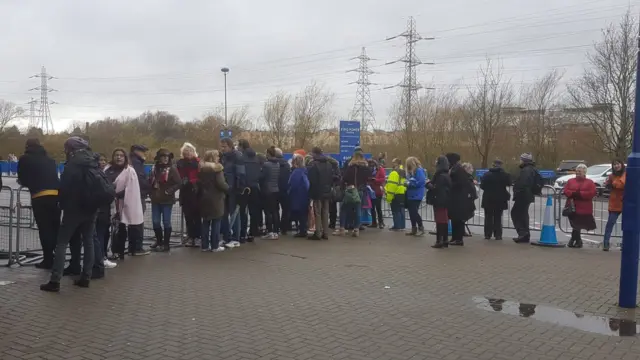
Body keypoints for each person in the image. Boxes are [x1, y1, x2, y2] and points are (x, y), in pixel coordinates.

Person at [40, 137, 101, 292]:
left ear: (71, 149)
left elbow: (65, 187)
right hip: (91, 208)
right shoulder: (94, 162)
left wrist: (62, 202)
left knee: (62, 243)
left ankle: (55, 280)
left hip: (73, 209)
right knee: (88, 241)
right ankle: (86, 277)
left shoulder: (72, 165)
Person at [17, 138, 60, 269]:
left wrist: (25, 183)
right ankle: (59, 256)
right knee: (55, 228)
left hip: (39, 196)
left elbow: (22, 178)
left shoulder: (25, 158)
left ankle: (48, 259)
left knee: (45, 229)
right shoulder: (50, 160)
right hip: (56, 196)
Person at [105, 148, 145, 259]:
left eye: (121, 155)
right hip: (109, 202)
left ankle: (122, 251)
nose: (118, 157)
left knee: (122, 228)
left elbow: (132, 188)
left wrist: (118, 193)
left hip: (124, 202)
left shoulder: (129, 170)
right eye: (116, 155)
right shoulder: (107, 169)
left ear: (125, 157)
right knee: (113, 229)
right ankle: (113, 251)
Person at [149, 148, 181, 252]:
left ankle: (166, 244)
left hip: (167, 200)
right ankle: (159, 241)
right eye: (163, 157)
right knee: (155, 222)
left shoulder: (172, 169)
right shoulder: (154, 168)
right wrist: (151, 192)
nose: (165, 159)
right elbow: (150, 181)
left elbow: (178, 183)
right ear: (158, 158)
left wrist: (170, 191)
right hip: (156, 199)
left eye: (167, 157)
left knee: (166, 222)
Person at [197, 150, 229, 252]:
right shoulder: (217, 169)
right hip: (216, 198)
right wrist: (228, 188)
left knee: (205, 222)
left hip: (204, 198)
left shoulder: (201, 169)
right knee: (216, 221)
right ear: (212, 158)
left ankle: (205, 246)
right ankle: (215, 246)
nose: (218, 158)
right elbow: (221, 184)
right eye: (217, 156)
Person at [563, 163, 597, 248]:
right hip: (571, 206)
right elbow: (566, 190)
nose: (578, 172)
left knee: (577, 225)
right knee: (575, 224)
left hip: (584, 207)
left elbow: (592, 193)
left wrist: (580, 194)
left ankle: (575, 240)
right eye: (577, 171)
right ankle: (577, 240)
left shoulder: (590, 182)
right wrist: (573, 193)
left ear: (584, 172)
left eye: (580, 171)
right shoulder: (571, 181)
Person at [307, 146, 338, 240]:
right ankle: (326, 233)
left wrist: (311, 193)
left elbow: (312, 180)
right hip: (327, 190)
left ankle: (318, 233)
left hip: (317, 191)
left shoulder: (313, 164)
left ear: (314, 153)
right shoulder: (328, 163)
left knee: (318, 212)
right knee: (325, 212)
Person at [220, 137, 246, 247]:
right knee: (224, 214)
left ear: (230, 146)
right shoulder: (224, 157)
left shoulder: (237, 156)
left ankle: (236, 238)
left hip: (234, 189)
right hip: (225, 188)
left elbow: (240, 174)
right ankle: (227, 237)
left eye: (224, 146)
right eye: (221, 146)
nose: (222, 149)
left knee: (234, 213)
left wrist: (239, 189)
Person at [339, 152, 370, 237]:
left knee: (344, 209)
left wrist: (342, 187)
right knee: (358, 210)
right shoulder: (366, 168)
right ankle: (356, 229)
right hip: (360, 190)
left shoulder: (351, 167)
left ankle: (342, 229)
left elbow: (344, 178)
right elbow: (368, 178)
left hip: (350, 190)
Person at [447, 154, 475, 246]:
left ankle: (458, 239)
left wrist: (449, 184)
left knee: (458, 219)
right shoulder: (455, 168)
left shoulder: (458, 169)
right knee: (454, 219)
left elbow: (460, 183)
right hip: (456, 197)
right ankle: (455, 238)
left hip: (459, 198)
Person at [480, 159, 511, 240]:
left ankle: (487, 234)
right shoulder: (504, 175)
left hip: (488, 198)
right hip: (500, 199)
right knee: (498, 217)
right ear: (501, 166)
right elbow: (509, 183)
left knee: (488, 217)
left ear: (493, 165)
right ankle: (498, 235)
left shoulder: (486, 175)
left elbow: (482, 186)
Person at [177, 142, 201, 247]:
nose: (188, 153)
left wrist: (193, 181)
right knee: (188, 217)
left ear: (194, 152)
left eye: (190, 151)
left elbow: (202, 176)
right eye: (186, 152)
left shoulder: (199, 162)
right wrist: (182, 181)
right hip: (185, 192)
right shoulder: (180, 163)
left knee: (197, 216)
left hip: (196, 192)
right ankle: (191, 236)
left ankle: (198, 237)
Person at [512, 153, 538, 243]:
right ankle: (525, 234)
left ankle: (523, 233)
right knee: (522, 214)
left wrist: (517, 191)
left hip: (523, 195)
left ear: (524, 160)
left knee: (517, 214)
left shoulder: (526, 170)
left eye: (521, 159)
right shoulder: (531, 169)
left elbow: (523, 183)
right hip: (527, 195)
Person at [129, 144, 150, 254]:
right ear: (136, 151)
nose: (144, 153)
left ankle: (133, 246)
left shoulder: (133, 162)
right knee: (138, 222)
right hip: (138, 195)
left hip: (137, 195)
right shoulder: (137, 163)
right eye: (142, 151)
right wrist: (148, 187)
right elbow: (140, 179)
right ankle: (137, 247)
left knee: (134, 222)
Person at [427, 155, 451, 248]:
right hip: (445, 200)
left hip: (439, 200)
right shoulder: (447, 175)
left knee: (439, 221)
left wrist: (428, 184)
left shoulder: (439, 176)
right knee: (444, 220)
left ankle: (439, 240)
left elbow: (436, 188)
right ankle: (445, 240)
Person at [240, 140, 262, 242]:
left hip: (244, 187)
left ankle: (242, 233)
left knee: (242, 211)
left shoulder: (241, 158)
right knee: (253, 211)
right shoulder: (256, 157)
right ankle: (252, 232)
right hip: (255, 186)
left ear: (241, 147)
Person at [603, 159, 626, 251]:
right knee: (610, 224)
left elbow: (620, 185)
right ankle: (605, 243)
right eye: (614, 164)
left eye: (618, 164)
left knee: (625, 225)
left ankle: (624, 243)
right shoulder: (611, 176)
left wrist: (612, 184)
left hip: (625, 202)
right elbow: (608, 184)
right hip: (614, 203)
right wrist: (609, 184)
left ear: (621, 165)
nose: (616, 166)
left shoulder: (625, 174)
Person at [262, 146, 281, 239]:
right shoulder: (277, 164)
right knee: (275, 211)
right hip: (276, 189)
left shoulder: (266, 165)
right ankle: (276, 231)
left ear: (268, 154)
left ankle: (269, 231)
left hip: (267, 190)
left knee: (268, 212)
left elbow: (262, 177)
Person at [289, 154, 310, 238]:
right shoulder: (305, 170)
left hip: (297, 195)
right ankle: (303, 229)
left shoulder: (296, 172)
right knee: (304, 213)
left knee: (299, 214)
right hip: (305, 195)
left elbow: (292, 184)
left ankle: (301, 231)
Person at [405, 156, 427, 236]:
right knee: (411, 212)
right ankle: (413, 228)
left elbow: (421, 182)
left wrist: (410, 184)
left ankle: (421, 227)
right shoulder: (410, 172)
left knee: (414, 212)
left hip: (417, 194)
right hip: (410, 194)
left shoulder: (419, 170)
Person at [385, 158, 406, 231]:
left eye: (393, 163)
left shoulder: (394, 173)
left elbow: (392, 185)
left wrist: (389, 197)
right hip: (402, 192)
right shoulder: (403, 172)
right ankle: (402, 226)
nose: (392, 164)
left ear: (396, 163)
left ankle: (397, 226)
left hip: (395, 193)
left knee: (395, 211)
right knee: (401, 210)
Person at [275, 148, 292, 235]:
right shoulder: (287, 165)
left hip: (275, 189)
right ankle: (284, 227)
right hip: (285, 189)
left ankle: (276, 227)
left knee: (275, 209)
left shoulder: (273, 164)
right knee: (286, 210)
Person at [368, 160, 386, 229]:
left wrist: (375, 180)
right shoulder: (370, 170)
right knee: (372, 208)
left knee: (378, 207)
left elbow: (382, 179)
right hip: (371, 190)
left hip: (378, 190)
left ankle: (381, 222)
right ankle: (374, 222)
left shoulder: (380, 169)